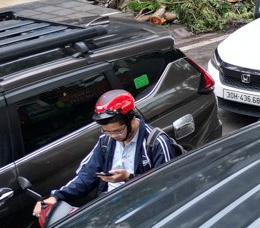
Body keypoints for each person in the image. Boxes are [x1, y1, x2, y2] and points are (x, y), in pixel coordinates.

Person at [34, 90, 175, 218]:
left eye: (118, 131)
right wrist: (56, 196)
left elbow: (167, 185)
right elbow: (86, 177)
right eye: (107, 131)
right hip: (109, 209)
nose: (113, 136)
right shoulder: (106, 141)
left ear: (131, 119)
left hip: (144, 211)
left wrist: (128, 178)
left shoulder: (156, 143)